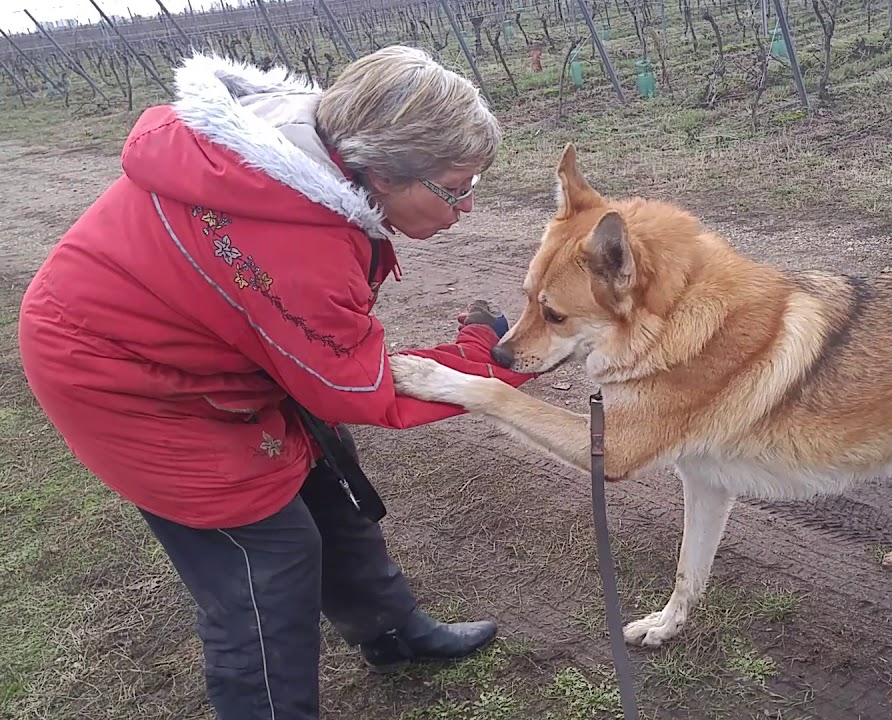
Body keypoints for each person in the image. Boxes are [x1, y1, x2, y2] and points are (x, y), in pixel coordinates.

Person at [17, 46, 535, 720]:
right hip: (121, 378)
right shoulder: (295, 239)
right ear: (383, 172)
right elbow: (357, 386)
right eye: (456, 187)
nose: (467, 206)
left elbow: (325, 358)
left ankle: (393, 633)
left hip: (199, 343)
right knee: (268, 557)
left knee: (325, 471)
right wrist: (491, 358)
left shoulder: (316, 149)